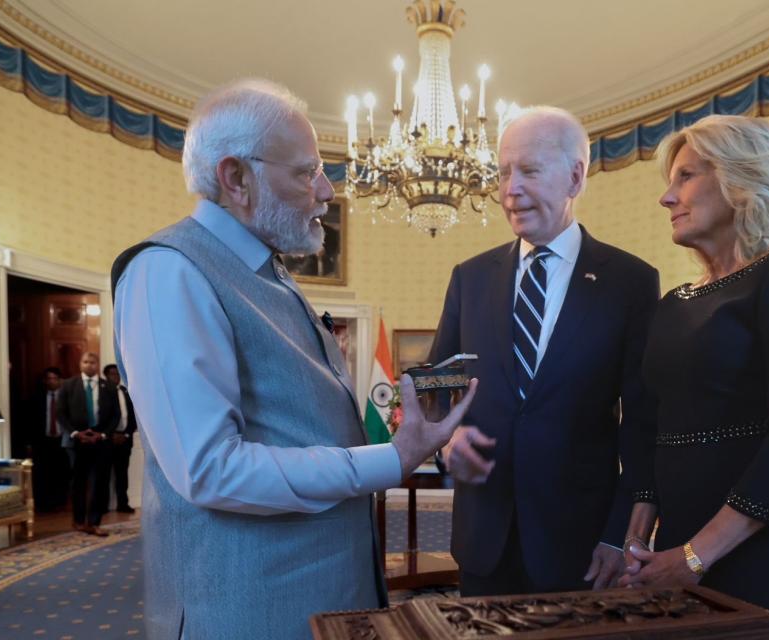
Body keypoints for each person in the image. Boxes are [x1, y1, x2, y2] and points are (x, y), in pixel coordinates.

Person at [111, 79, 476, 640]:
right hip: (244, 612)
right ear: (236, 178)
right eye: (307, 172)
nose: (327, 192)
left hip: (313, 602)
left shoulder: (271, 273)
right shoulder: (169, 272)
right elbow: (210, 469)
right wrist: (392, 458)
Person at [618, 114, 769, 633]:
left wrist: (697, 555)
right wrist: (638, 539)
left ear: (739, 180)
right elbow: (648, 427)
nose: (667, 197)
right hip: (679, 544)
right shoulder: (675, 303)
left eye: (686, 177)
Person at [429, 106, 659, 596]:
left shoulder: (631, 282)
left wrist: (621, 535)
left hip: (580, 546)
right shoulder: (469, 278)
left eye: (529, 171)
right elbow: (434, 383)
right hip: (483, 538)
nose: (509, 189)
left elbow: (642, 424)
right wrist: (448, 441)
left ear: (575, 177)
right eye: (503, 172)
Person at [57, 352, 117, 536]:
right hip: (78, 442)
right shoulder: (68, 385)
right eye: (85, 361)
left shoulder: (108, 386)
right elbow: (61, 413)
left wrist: (103, 434)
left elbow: (116, 415)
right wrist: (76, 433)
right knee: (78, 483)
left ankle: (94, 522)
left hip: (100, 442)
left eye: (93, 362)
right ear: (80, 364)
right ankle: (78, 520)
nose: (89, 365)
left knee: (100, 483)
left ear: (97, 364)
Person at [28, 367, 70, 511]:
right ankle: (43, 503)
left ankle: (60, 501)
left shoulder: (67, 397)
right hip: (43, 441)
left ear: (60, 380)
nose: (52, 381)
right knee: (43, 473)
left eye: (55, 378)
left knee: (61, 472)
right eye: (49, 378)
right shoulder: (36, 397)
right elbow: (30, 421)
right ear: (44, 381)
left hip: (62, 440)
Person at [103, 364, 136, 513]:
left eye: (117, 374)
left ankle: (123, 504)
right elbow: (99, 418)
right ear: (106, 376)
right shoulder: (102, 393)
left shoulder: (126, 392)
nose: (115, 377)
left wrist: (126, 434)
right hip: (107, 440)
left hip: (125, 440)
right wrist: (111, 434)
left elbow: (134, 418)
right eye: (112, 374)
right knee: (104, 474)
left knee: (122, 474)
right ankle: (102, 506)